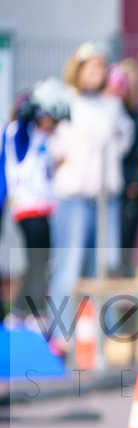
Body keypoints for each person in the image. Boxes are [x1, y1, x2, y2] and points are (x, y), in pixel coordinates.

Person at [47, 41, 134, 348]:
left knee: (105, 265)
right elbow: (54, 144)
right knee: (68, 265)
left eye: (101, 68)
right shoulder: (65, 101)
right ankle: (61, 335)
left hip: (104, 197)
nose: (97, 73)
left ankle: (106, 336)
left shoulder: (112, 105)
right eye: (91, 68)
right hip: (74, 195)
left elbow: (124, 139)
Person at [1, 79, 71, 331]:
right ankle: (31, 312)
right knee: (38, 262)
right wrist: (31, 105)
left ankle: (21, 312)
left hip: (44, 209)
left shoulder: (44, 137)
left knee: (39, 262)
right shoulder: (17, 134)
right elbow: (22, 129)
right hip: (28, 209)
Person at [106, 59, 138, 278]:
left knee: (123, 249)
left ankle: (124, 303)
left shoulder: (137, 120)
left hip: (127, 191)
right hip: (105, 190)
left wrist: (134, 181)